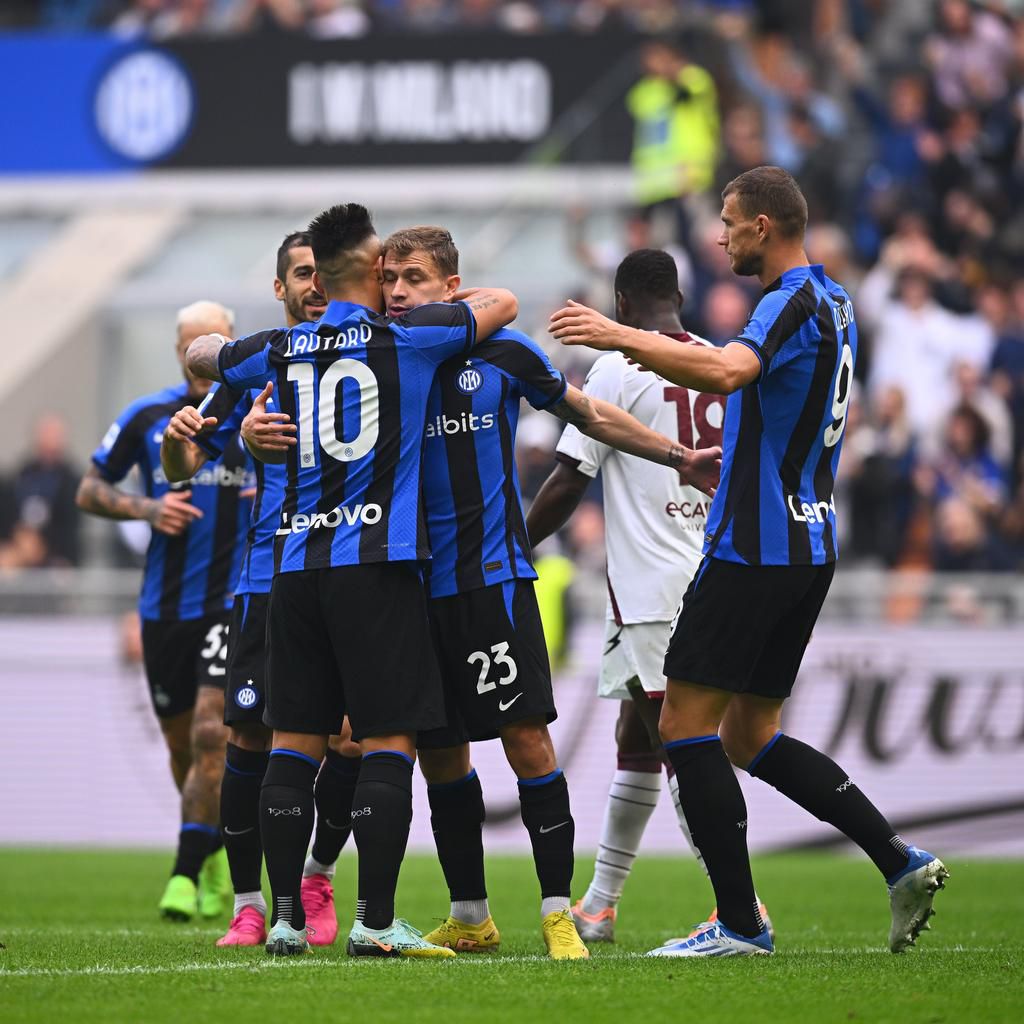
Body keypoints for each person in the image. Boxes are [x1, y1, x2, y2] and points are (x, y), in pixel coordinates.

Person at [241, 226, 719, 959]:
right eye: (389, 277)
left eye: (415, 279)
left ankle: (560, 915)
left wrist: (678, 454)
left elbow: (587, 413)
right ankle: (471, 914)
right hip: (400, 589)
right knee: (440, 758)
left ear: (452, 288)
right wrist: (250, 430)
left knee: (527, 740)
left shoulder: (502, 353)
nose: (398, 291)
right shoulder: (376, 352)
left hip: (489, 580)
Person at [549, 166, 948, 958]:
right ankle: (900, 861)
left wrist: (620, 333)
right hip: (806, 544)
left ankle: (738, 923)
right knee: (751, 734)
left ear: (765, 226)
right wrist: (722, 458)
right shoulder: (836, 302)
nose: (720, 235)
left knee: (683, 726)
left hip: (751, 548)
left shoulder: (786, 298)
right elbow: (784, 408)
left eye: (729, 221)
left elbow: (734, 373)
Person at [185, 203, 519, 959]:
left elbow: (207, 353)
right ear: (370, 272)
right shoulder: (410, 341)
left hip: (295, 570)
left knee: (292, 746)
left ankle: (282, 921)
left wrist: (230, 393)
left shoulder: (279, 347)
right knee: (388, 741)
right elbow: (503, 304)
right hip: (378, 565)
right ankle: (373, 921)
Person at [528, 248, 770, 944]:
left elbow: (569, 479)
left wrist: (509, 545)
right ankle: (600, 906)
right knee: (637, 737)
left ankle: (742, 908)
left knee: (680, 745)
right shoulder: (721, 363)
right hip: (713, 574)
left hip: (653, 589)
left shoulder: (617, 364)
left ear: (622, 305)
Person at [160, 231, 363, 948]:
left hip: (348, 570)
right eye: (302, 274)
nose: (315, 283)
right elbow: (183, 463)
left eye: (324, 272)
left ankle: (316, 876)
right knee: (245, 734)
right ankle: (249, 906)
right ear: (280, 288)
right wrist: (187, 436)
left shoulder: (373, 351)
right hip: (266, 578)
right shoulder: (259, 363)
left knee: (349, 741)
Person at [77, 300, 251, 922]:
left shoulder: (256, 414)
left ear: (232, 345)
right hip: (164, 606)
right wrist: (147, 510)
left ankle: (181, 874)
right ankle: (207, 856)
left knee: (212, 732)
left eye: (216, 341)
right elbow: (90, 488)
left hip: (234, 601)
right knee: (183, 747)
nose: (203, 352)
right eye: (192, 343)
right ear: (180, 350)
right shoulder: (147, 416)